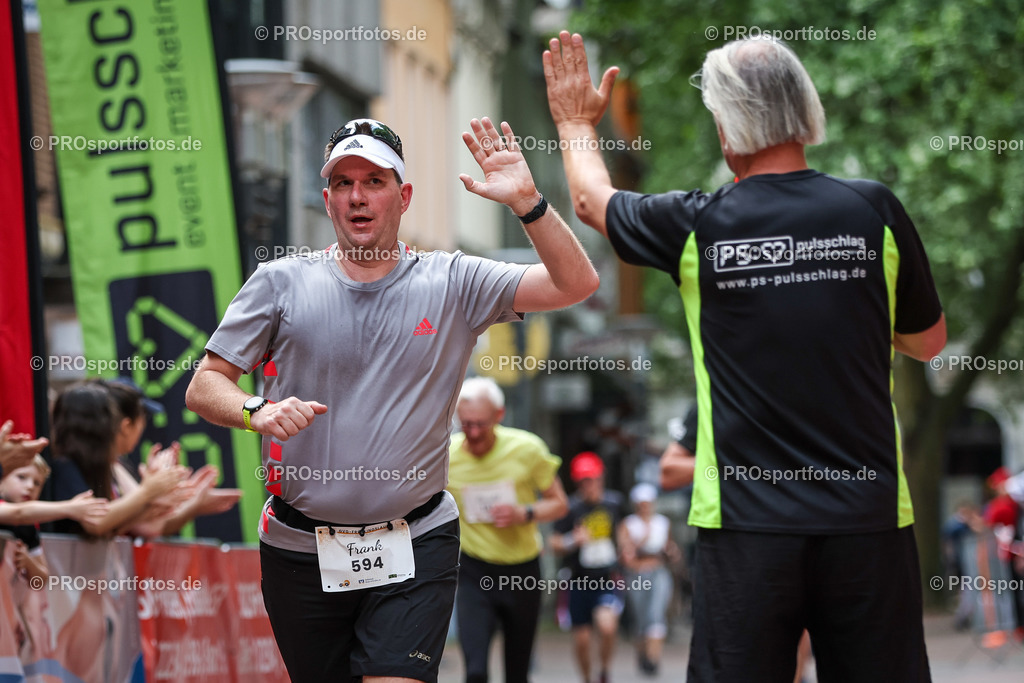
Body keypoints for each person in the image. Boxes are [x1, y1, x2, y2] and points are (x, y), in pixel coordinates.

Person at [544, 31, 946, 682]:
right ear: (805, 110)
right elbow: (929, 342)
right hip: (867, 520)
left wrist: (573, 121)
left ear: (728, 127)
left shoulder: (698, 225)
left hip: (746, 525)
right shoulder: (874, 210)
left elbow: (592, 201)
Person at [184, 116, 599, 683]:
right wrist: (259, 411)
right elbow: (205, 384)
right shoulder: (279, 282)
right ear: (327, 200)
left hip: (416, 539)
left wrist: (529, 204)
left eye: (374, 181)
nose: (358, 196)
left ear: (403, 197)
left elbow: (576, 284)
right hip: (300, 546)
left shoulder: (454, 281)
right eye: (343, 183)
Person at [446, 376, 568, 683]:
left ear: (499, 416)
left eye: (480, 424)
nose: (473, 432)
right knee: (475, 671)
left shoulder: (527, 449)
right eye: (466, 424)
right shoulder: (447, 456)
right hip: (473, 571)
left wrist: (524, 513)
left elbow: (559, 504)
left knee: (517, 672)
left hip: (522, 570)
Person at [102, 379, 242, 537]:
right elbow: (144, 527)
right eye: (143, 416)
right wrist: (153, 492)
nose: (143, 426)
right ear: (126, 424)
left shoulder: (115, 464)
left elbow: (146, 524)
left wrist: (181, 499)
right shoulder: (105, 466)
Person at [47, 382, 188, 537]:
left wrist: (154, 500)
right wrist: (147, 491)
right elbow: (96, 522)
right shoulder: (65, 466)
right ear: (93, 427)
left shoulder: (100, 466)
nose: (119, 427)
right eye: (112, 418)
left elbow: (116, 526)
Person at [551, 452, 625, 683]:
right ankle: (586, 678)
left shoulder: (614, 503)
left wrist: (626, 548)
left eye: (591, 479)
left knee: (607, 627)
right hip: (578, 581)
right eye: (583, 481)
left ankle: (604, 671)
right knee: (582, 640)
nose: (588, 485)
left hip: (606, 578)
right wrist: (572, 540)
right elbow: (554, 543)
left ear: (600, 478)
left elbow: (622, 530)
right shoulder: (570, 508)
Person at [0, 454, 109, 582]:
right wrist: (69, 508)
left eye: (37, 483)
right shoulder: (17, 514)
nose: (30, 486)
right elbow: (19, 513)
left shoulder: (29, 526)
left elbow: (41, 580)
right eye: (21, 477)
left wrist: (28, 563)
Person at [617, 482, 676, 676]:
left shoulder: (662, 523)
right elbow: (625, 554)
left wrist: (671, 552)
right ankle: (643, 656)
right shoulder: (629, 524)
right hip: (637, 574)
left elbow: (669, 547)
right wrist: (642, 539)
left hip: (658, 572)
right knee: (641, 617)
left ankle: (653, 659)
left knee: (656, 614)